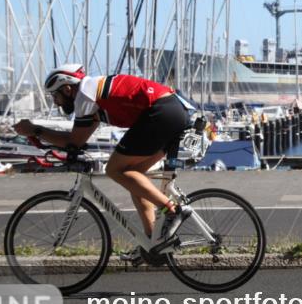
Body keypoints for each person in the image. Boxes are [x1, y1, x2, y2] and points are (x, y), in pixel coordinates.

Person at [14, 64, 193, 262]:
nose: (55, 102)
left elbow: (75, 140)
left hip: (161, 112)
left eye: (54, 95)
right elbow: (78, 139)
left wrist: (36, 130)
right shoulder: (93, 97)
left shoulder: (85, 94)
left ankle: (172, 210)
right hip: (172, 110)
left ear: (67, 88)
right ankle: (153, 242)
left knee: (115, 170)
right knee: (133, 176)